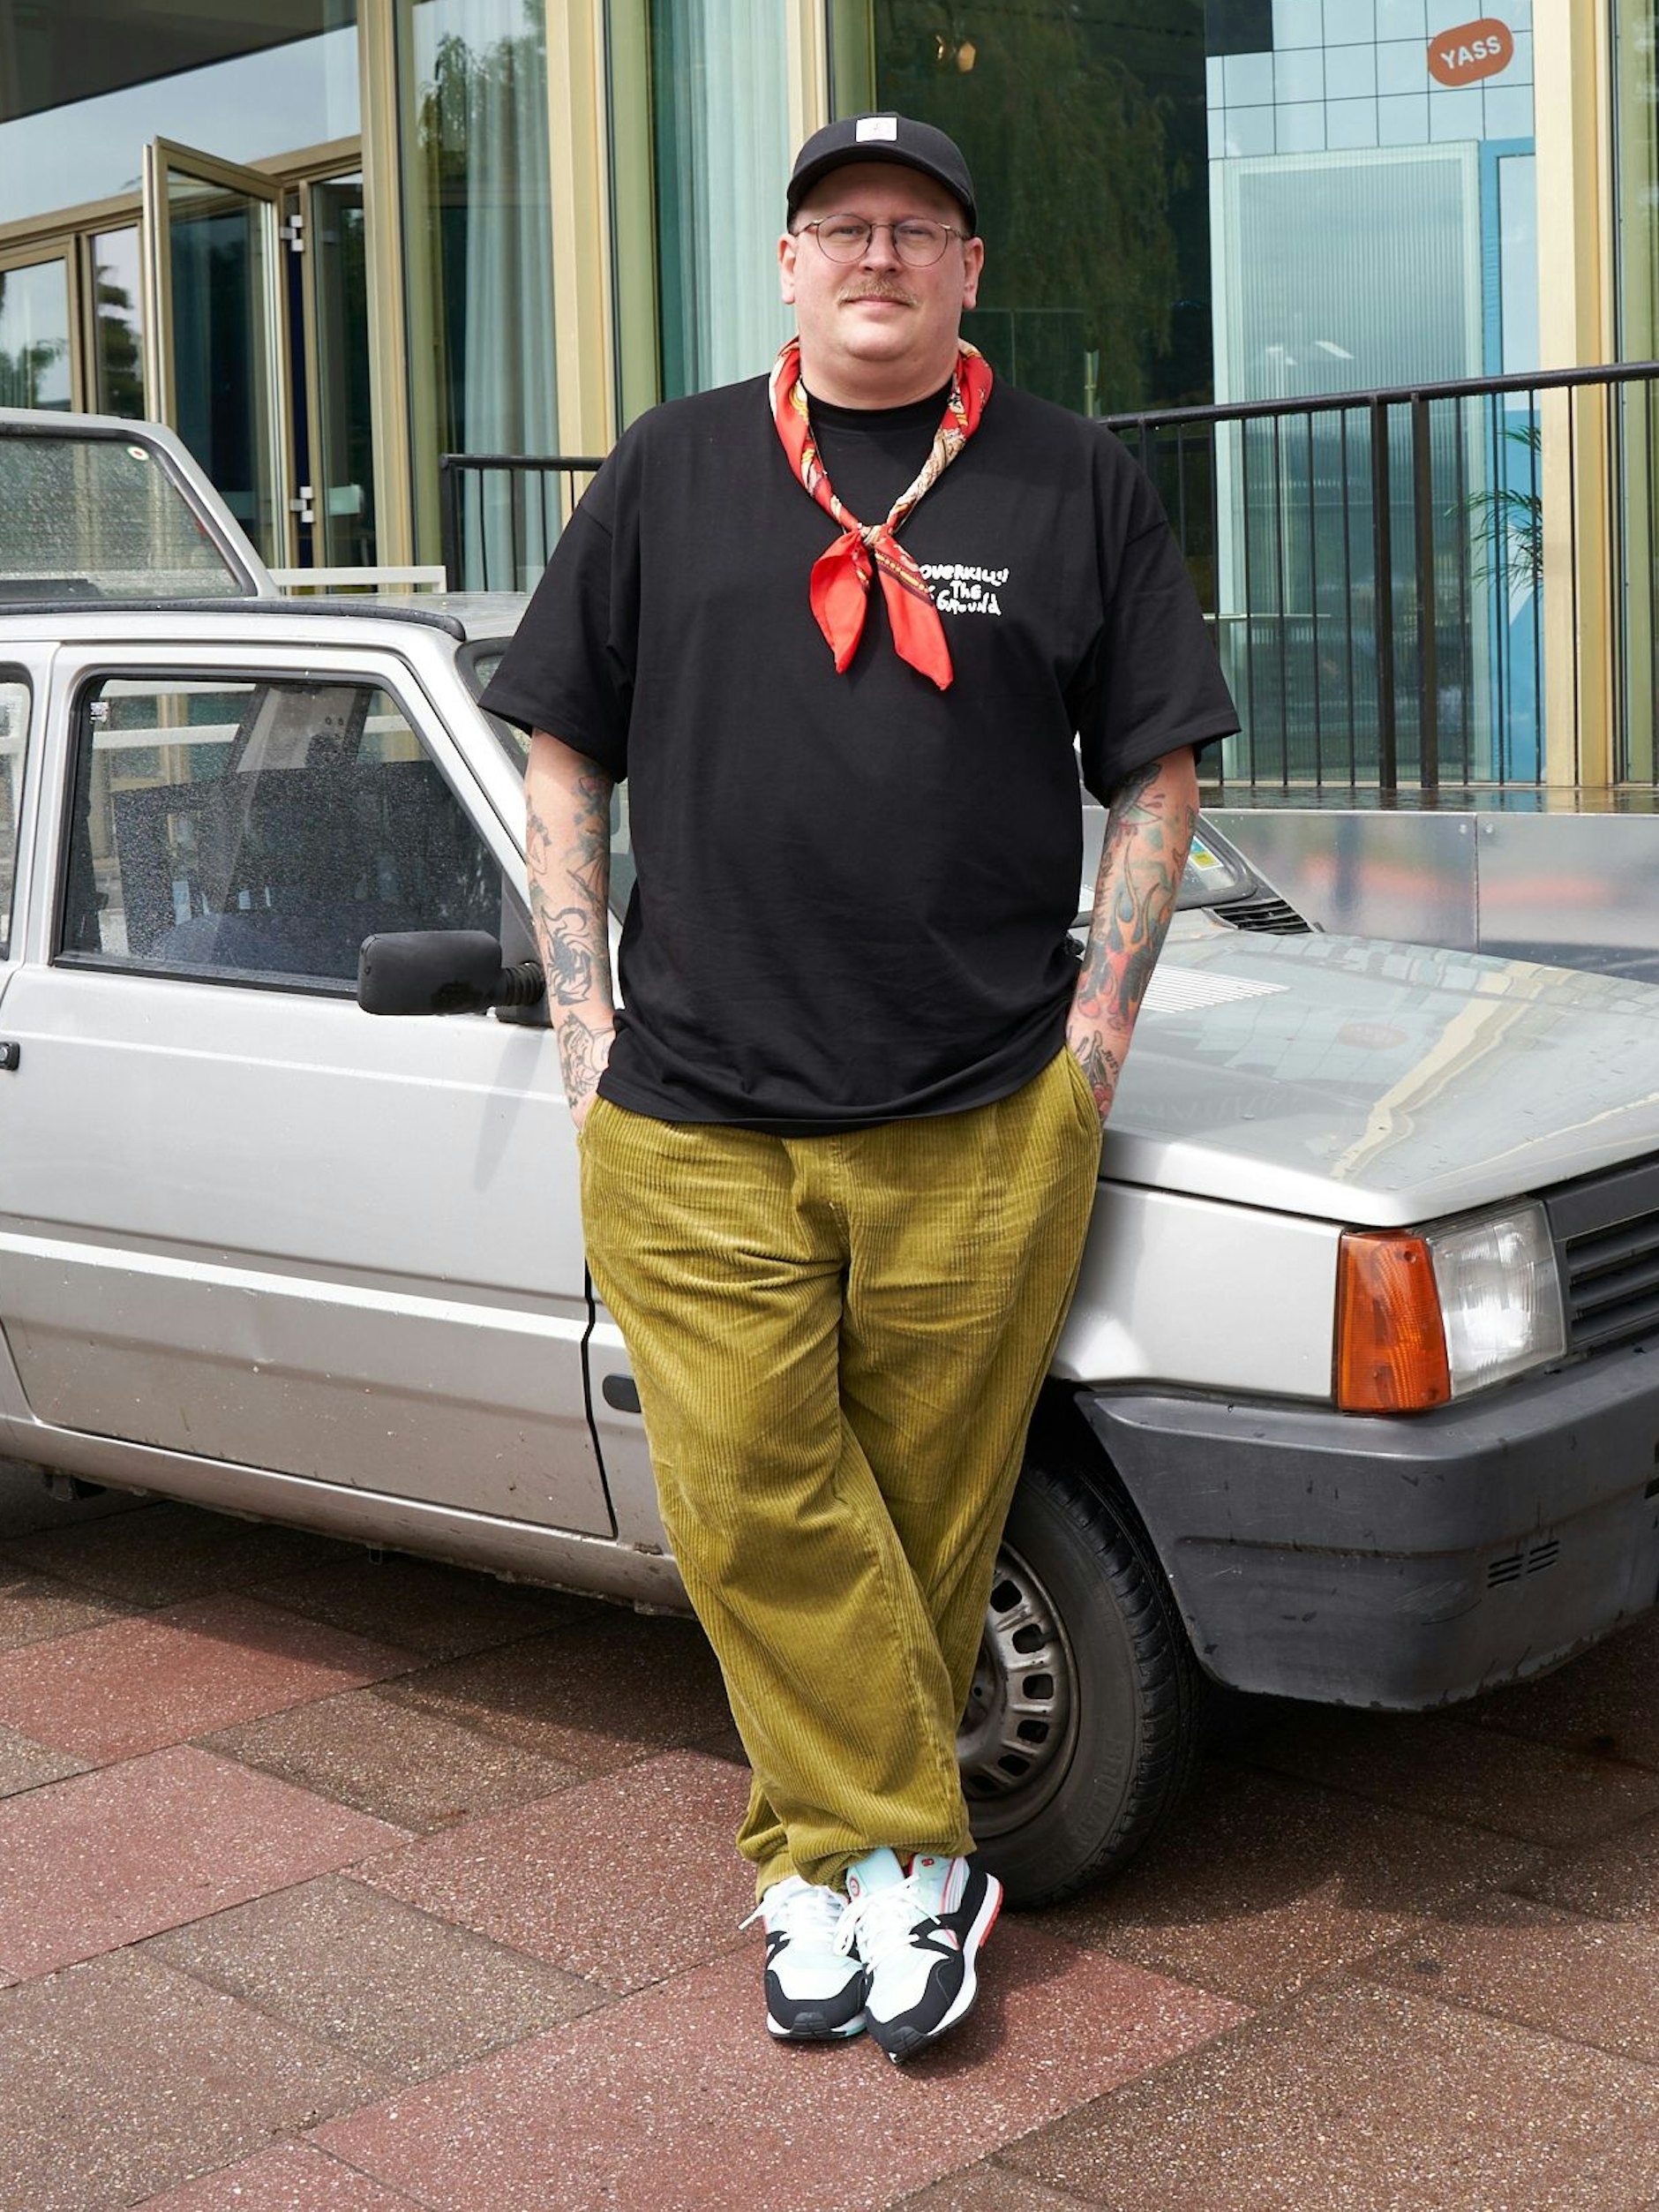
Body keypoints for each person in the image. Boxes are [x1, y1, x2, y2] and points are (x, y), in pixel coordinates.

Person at [479, 112, 1238, 2064]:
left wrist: (1097, 1043)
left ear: (971, 269)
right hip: (692, 1116)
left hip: (984, 1117)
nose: (876, 254)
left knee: (919, 1513)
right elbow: (563, 749)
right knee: (750, 1507)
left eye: (916, 228)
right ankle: (915, 1843)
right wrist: (583, 1028)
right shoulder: (666, 466)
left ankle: (831, 1869)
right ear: (789, 265)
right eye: (840, 226)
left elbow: (1155, 772)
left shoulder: (1077, 482)